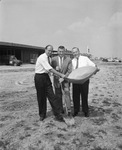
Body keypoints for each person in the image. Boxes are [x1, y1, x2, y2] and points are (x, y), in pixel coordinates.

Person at [34, 45, 65, 122]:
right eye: (48, 50)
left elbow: (48, 71)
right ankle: (42, 115)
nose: (50, 52)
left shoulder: (49, 58)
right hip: (39, 77)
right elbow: (50, 69)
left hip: (46, 77)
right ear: (45, 50)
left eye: (51, 51)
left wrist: (55, 74)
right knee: (41, 97)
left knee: (52, 96)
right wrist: (60, 74)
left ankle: (58, 114)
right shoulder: (42, 57)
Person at [71, 47, 99, 117]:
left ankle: (85, 111)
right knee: (75, 96)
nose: (75, 53)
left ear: (79, 51)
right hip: (75, 80)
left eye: (76, 52)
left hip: (84, 80)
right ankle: (76, 111)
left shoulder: (85, 59)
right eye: (73, 52)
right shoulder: (72, 61)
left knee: (84, 95)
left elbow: (93, 66)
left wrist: (95, 70)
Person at [51, 46, 72, 117]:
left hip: (65, 80)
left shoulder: (68, 59)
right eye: (59, 51)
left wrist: (63, 78)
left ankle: (69, 110)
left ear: (64, 51)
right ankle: (60, 109)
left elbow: (69, 71)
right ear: (57, 51)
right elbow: (50, 70)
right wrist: (55, 70)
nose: (61, 53)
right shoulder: (53, 59)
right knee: (58, 95)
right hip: (57, 81)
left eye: (62, 51)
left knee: (67, 94)